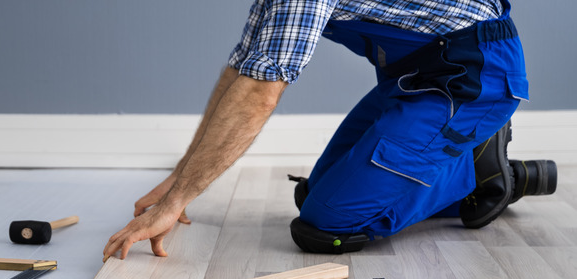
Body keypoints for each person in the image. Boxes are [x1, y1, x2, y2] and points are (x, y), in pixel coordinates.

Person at [103, 0, 555, 261]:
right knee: (314, 196)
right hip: (415, 78)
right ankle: (464, 155)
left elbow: (262, 91)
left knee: (327, 225)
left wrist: (178, 200)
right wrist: (179, 180)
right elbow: (243, 69)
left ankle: (482, 171)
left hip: (472, 80)